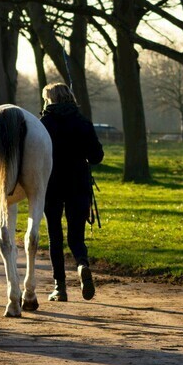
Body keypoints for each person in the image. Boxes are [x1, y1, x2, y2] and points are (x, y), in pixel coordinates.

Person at [39, 83, 104, 302]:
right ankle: (82, 264)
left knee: (55, 236)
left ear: (50, 99)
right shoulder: (83, 122)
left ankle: (60, 287)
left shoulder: (43, 124)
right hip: (79, 185)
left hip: (52, 185)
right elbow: (96, 156)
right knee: (76, 236)